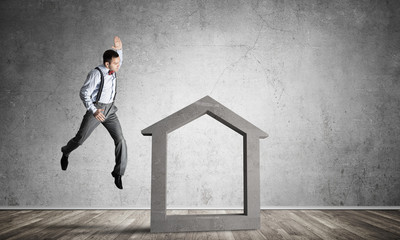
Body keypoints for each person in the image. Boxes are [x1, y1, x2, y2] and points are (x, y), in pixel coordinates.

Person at [60, 36, 127, 190]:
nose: (119, 65)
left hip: (110, 110)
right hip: (96, 108)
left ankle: (118, 173)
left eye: (118, 62)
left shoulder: (113, 67)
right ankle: (66, 151)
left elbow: (119, 60)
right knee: (80, 139)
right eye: (115, 63)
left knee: (121, 140)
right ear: (106, 64)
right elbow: (84, 93)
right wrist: (94, 110)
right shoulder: (96, 74)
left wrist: (119, 49)